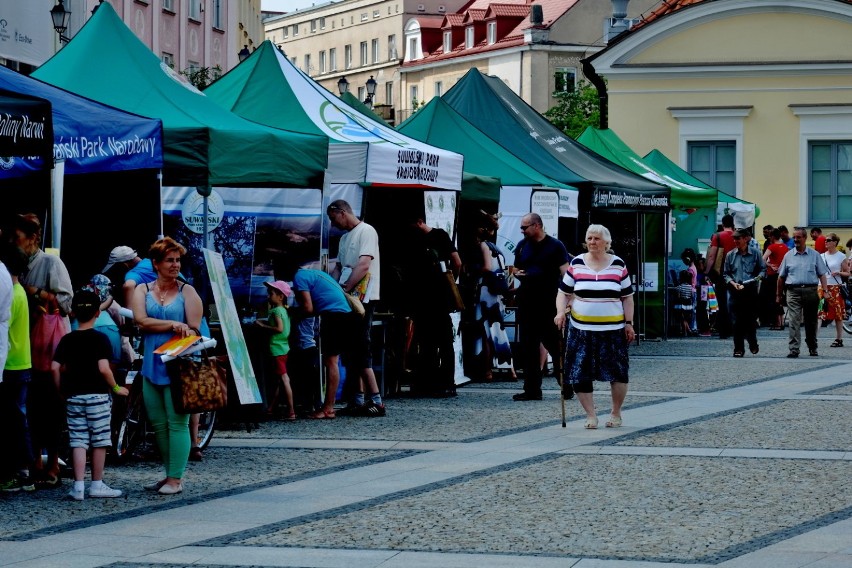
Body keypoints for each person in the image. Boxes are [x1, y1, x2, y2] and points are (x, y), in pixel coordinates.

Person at [131, 237, 203, 495]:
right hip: (152, 364)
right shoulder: (142, 290)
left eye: (178, 260)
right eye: (169, 260)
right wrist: (173, 325)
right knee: (158, 424)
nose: (175, 265)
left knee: (177, 423)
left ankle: (176, 477)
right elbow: (140, 320)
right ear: (156, 263)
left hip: (179, 366)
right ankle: (168, 472)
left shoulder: (188, 292)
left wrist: (175, 326)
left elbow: (194, 329)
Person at [13, 213, 73, 490]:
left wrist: (35, 293)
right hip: (24, 345)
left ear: (33, 238)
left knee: (52, 405)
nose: (15, 243)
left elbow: (66, 301)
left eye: (18, 238)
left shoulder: (50, 262)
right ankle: (35, 459)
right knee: (32, 408)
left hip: (50, 347)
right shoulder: (14, 264)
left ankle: (53, 462)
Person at [52, 290, 130, 500]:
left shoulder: (67, 339)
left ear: (73, 314)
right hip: (97, 396)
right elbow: (104, 368)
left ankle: (78, 486)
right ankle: (96, 484)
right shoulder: (100, 339)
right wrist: (116, 388)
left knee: (78, 439)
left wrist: (61, 391)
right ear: (98, 313)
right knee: (99, 440)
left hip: (74, 396)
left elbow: (54, 367)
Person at [555, 224, 634, 429]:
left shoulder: (618, 265)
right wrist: (559, 312)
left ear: (607, 243)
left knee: (618, 372)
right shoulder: (577, 263)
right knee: (580, 372)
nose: (592, 242)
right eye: (589, 238)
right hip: (581, 329)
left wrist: (629, 323)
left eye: (597, 239)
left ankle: (615, 413)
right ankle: (591, 415)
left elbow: (627, 298)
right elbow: (563, 292)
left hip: (613, 329)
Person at [326, 200, 385, 416]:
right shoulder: (344, 238)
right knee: (352, 348)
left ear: (342, 213)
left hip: (364, 298)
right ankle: (358, 399)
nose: (334, 224)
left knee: (361, 345)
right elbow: (339, 267)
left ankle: (375, 399)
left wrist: (346, 287)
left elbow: (364, 264)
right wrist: (333, 289)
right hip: (348, 299)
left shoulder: (366, 231)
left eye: (333, 218)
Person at [512, 213, 571, 401]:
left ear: (537, 225)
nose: (522, 231)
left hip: (548, 303)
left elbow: (566, 273)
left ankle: (566, 384)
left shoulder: (555, 246)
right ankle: (532, 389)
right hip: (527, 302)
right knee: (528, 347)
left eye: (525, 227)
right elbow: (516, 268)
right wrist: (517, 273)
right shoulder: (522, 246)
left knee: (555, 345)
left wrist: (568, 299)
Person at [288, 264, 355, 419]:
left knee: (331, 362)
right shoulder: (312, 274)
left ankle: (328, 408)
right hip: (341, 314)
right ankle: (328, 406)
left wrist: (290, 312)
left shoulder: (299, 278)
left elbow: (308, 308)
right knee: (332, 361)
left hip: (334, 315)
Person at [405, 214, 462, 398]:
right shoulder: (439, 236)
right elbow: (457, 262)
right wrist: (449, 281)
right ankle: (441, 383)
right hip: (436, 296)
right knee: (436, 341)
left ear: (420, 221)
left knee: (433, 341)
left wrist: (449, 281)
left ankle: (435, 383)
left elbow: (457, 262)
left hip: (430, 297)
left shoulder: (437, 236)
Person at [0, 246, 34, 492]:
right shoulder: (21, 291)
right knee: (18, 418)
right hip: (21, 361)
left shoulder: (13, 294)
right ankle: (24, 468)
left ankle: (21, 468)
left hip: (11, 363)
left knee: (14, 421)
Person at [471, 213, 515, 382]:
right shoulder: (497, 249)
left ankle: (487, 370)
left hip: (485, 293)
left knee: (487, 333)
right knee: (498, 331)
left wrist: (473, 271)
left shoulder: (483, 246)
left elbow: (487, 268)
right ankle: (509, 370)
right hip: (496, 295)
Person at [777, 227, 829, 358]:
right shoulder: (788, 255)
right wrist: (778, 295)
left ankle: (812, 346)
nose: (795, 240)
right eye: (794, 237)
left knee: (811, 321)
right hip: (793, 291)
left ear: (805, 238)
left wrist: (825, 290)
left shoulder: (814, 255)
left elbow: (822, 274)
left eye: (798, 237)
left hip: (810, 290)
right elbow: (781, 277)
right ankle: (794, 349)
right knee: (793, 320)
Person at [254, 280, 295, 419]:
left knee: (284, 379)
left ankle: (291, 411)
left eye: (271, 293)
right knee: (279, 380)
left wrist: (262, 326)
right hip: (283, 347)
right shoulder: (284, 310)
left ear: (280, 296)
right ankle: (271, 407)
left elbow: (279, 328)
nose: (268, 296)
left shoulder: (276, 311)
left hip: (276, 348)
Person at [723, 229, 766, 357]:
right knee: (736, 322)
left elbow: (763, 270)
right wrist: (732, 283)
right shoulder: (730, 255)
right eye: (734, 239)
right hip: (736, 290)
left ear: (745, 239)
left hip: (750, 290)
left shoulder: (756, 254)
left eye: (738, 239)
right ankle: (738, 349)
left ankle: (753, 342)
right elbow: (726, 274)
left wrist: (758, 278)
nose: (735, 241)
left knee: (750, 320)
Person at [703, 214, 736, 339]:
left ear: (722, 224)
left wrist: (707, 271)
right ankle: (736, 329)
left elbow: (712, 257)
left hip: (721, 272)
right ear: (732, 224)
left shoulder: (718, 236)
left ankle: (724, 330)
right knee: (736, 302)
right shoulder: (738, 236)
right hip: (736, 273)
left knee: (722, 302)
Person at [817, 233, 848, 348]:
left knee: (837, 314)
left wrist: (839, 272)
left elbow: (848, 272)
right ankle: (814, 339)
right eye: (825, 240)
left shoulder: (841, 256)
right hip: (822, 287)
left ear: (835, 242)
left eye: (829, 240)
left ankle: (839, 339)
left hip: (835, 288)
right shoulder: (821, 256)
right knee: (819, 312)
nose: (826, 242)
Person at [761, 228, 789, 330]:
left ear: (772, 236)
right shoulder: (785, 247)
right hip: (783, 275)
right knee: (780, 297)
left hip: (773, 275)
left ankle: (777, 322)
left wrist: (770, 265)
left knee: (774, 298)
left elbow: (762, 259)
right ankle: (781, 322)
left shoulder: (772, 246)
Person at [674, 270, 696, 337]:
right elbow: (692, 296)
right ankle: (688, 330)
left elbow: (678, 296)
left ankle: (685, 331)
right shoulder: (691, 288)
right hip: (688, 304)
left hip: (681, 304)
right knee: (686, 319)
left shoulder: (679, 287)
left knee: (682, 318)